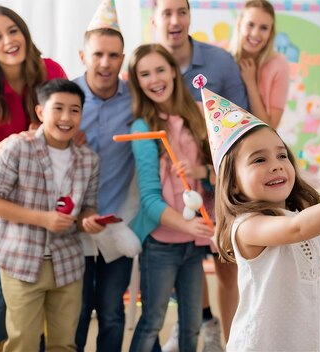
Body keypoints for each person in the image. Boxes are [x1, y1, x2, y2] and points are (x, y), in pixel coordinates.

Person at [195, 79, 320, 351]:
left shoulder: (298, 210)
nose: (277, 166)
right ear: (232, 182)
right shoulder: (246, 227)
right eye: (259, 159)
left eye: (282, 156)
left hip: (310, 338)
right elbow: (298, 230)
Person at [0, 4, 66, 351]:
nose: (8, 41)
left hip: (32, 180)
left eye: (13, 31)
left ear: (24, 32)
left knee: (31, 272)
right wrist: (19, 138)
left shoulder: (50, 71)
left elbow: (67, 128)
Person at [0, 79, 103, 351]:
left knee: (64, 344)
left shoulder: (89, 160)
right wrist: (44, 218)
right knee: (22, 343)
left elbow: (88, 208)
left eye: (74, 110)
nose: (66, 117)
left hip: (68, 263)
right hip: (20, 261)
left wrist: (88, 221)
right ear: (40, 112)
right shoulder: (17, 148)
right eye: (57, 108)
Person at [152, 1, 246, 346]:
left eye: (182, 11)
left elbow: (240, 122)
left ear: (190, 16)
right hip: (171, 185)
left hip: (218, 182)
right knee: (183, 260)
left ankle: (231, 338)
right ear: (154, 20)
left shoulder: (219, 62)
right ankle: (199, 321)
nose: (175, 20)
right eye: (167, 13)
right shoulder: (149, 63)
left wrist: (210, 168)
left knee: (226, 263)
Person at [127, 43, 215, 352]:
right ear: (137, 82)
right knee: (152, 320)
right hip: (161, 244)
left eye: (160, 69)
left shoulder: (196, 113)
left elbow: (217, 172)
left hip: (194, 245)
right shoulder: (142, 128)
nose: (154, 79)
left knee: (192, 325)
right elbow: (150, 200)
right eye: (144, 74)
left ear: (174, 72)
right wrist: (187, 226)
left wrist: (202, 171)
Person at [72, 2, 135, 351]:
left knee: (112, 311)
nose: (105, 63)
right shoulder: (66, 99)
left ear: (122, 59)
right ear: (83, 55)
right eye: (98, 54)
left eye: (113, 56)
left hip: (115, 221)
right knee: (77, 312)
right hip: (72, 225)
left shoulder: (135, 100)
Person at [229, 0, 290, 129]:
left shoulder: (279, 66)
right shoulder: (222, 57)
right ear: (239, 24)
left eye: (264, 28)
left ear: (270, 33)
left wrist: (251, 83)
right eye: (250, 25)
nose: (255, 33)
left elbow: (270, 128)